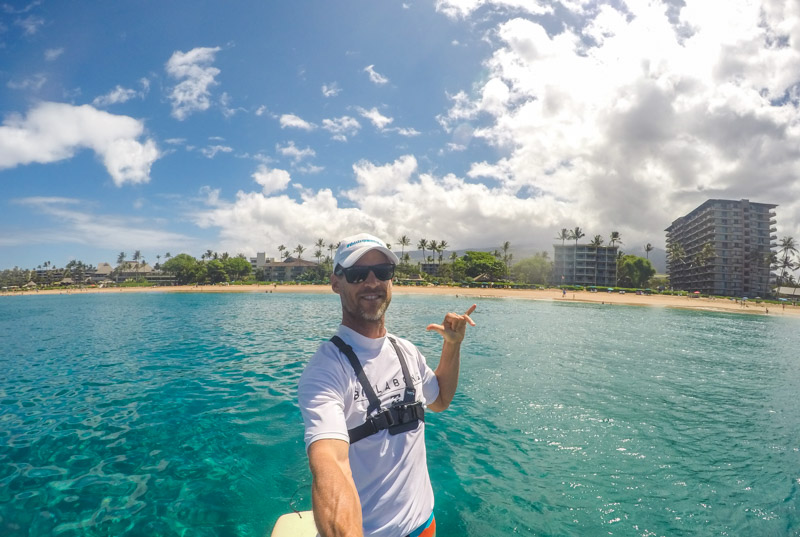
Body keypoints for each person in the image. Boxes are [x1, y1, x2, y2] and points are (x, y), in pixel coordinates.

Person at [298, 233, 476, 537]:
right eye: (356, 274)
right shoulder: (326, 370)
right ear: (335, 283)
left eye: (382, 272)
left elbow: (441, 400)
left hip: (424, 525)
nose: (372, 282)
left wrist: (452, 346)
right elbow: (330, 461)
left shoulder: (406, 351)